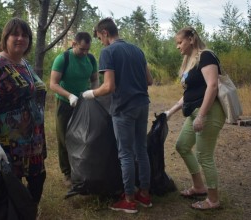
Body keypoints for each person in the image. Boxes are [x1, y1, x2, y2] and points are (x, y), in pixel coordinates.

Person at [82, 18, 153, 214]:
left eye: (99, 38)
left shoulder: (108, 52)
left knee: (126, 154)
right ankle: (144, 195)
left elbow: (109, 86)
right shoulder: (137, 50)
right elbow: (150, 80)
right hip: (142, 105)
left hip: (124, 109)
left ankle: (129, 199)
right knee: (141, 150)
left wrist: (91, 93)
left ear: (105, 33)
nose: (100, 42)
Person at [0, 17, 47, 217]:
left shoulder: (24, 63)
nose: (20, 38)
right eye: (15, 34)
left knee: (37, 183)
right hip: (9, 146)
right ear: (6, 37)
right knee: (7, 195)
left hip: (33, 143)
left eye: (25, 35)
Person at [164, 26, 225, 210]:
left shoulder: (206, 56)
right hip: (193, 112)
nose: (178, 46)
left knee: (204, 155)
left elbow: (212, 86)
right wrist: (170, 111)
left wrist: (202, 116)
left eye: (180, 42)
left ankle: (213, 200)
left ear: (191, 39)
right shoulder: (190, 61)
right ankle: (199, 187)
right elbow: (190, 94)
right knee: (182, 145)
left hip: (209, 111)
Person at [50, 32, 99, 186]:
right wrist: (70, 96)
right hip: (65, 103)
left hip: (84, 104)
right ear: (74, 44)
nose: (85, 53)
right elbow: (53, 84)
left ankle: (81, 169)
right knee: (64, 137)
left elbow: (95, 79)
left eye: (87, 50)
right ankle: (67, 173)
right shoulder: (62, 59)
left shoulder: (90, 59)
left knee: (84, 137)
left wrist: (93, 94)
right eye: (82, 49)